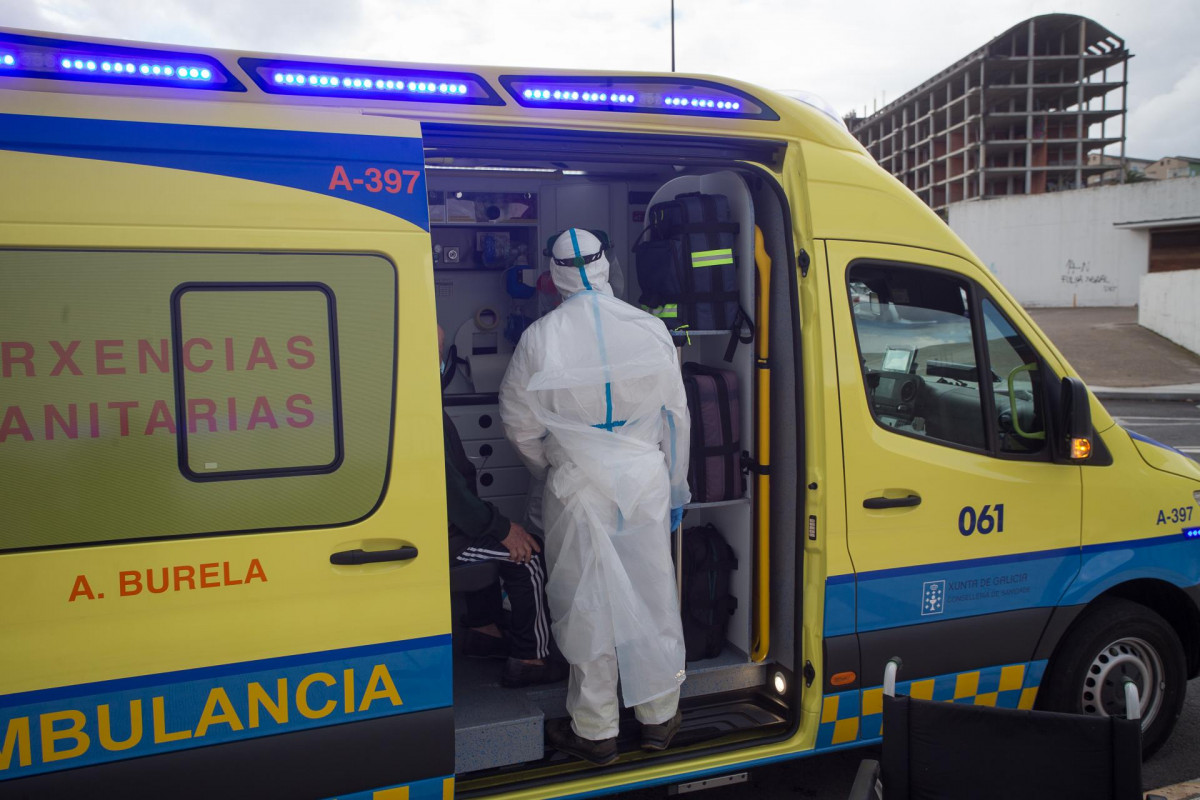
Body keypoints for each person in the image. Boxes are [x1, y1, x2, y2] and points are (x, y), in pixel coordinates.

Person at [499, 229, 691, 765]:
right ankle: (657, 717)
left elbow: (519, 426)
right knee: (651, 593)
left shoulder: (540, 337)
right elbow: (676, 419)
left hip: (577, 490)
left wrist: (554, 465)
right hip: (644, 487)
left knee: (586, 603)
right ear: (605, 266)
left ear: (556, 275)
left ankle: (597, 730)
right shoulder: (651, 329)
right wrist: (675, 486)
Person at [439, 325, 561, 688]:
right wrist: (503, 528)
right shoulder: (417, 411)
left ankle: (484, 632)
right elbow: (452, 496)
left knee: (488, 535)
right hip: (438, 541)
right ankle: (531, 658)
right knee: (527, 556)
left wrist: (491, 524)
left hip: (440, 529)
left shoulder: (401, 398)